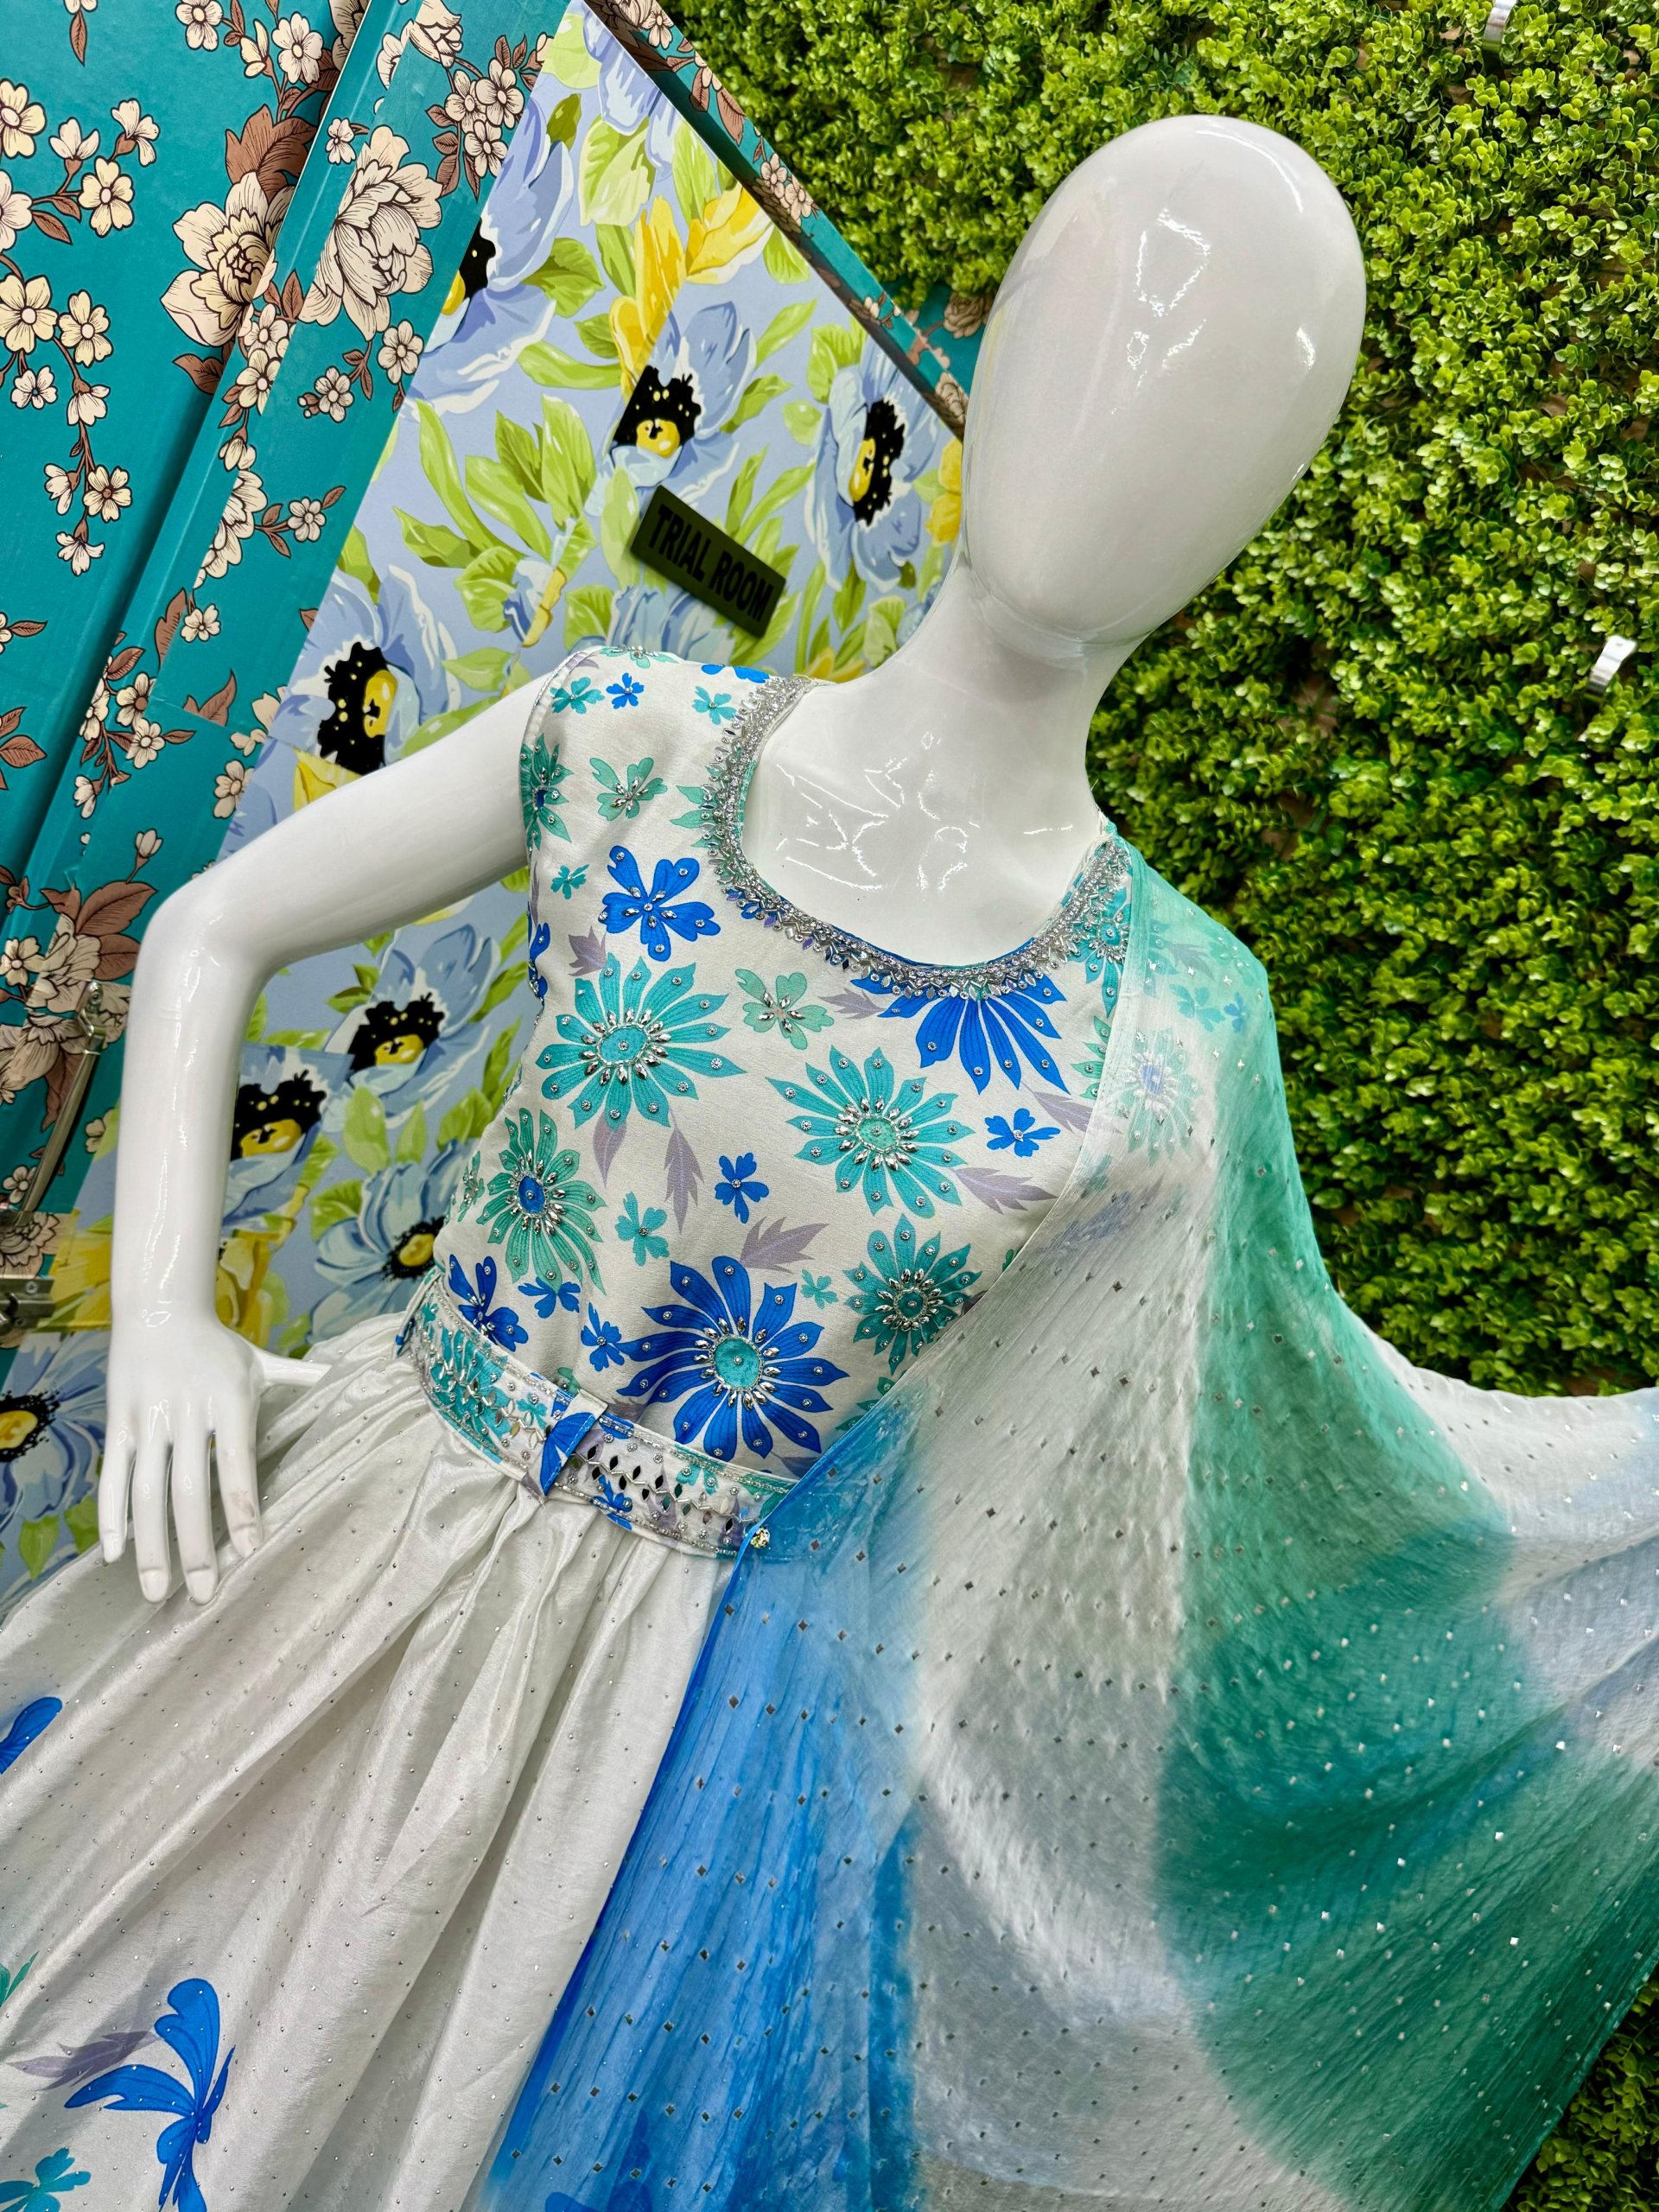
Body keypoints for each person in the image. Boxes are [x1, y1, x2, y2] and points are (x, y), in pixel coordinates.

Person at [1, 115, 1377, 2209]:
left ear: (1259, 516)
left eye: (1216, 405)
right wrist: (166, 1317)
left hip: (656, 1744)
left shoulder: (1173, 1026)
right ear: (994, 344)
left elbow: (1018, 1524)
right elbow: (210, 927)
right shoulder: (626, 738)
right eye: (1095, 321)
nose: (1125, 423)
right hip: (347, 1524)